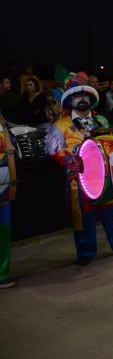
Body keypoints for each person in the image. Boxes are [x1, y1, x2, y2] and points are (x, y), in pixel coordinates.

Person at [45, 68, 113, 265]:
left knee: (111, 214)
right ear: (69, 100)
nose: (81, 99)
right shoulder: (60, 126)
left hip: (105, 178)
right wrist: (70, 161)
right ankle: (86, 254)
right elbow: (53, 150)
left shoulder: (101, 120)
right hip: (78, 181)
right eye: (77, 96)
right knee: (83, 219)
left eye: (85, 94)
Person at [0, 111, 16, 288]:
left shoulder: (2, 121)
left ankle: (2, 274)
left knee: (3, 231)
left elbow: (10, 148)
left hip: (4, 186)